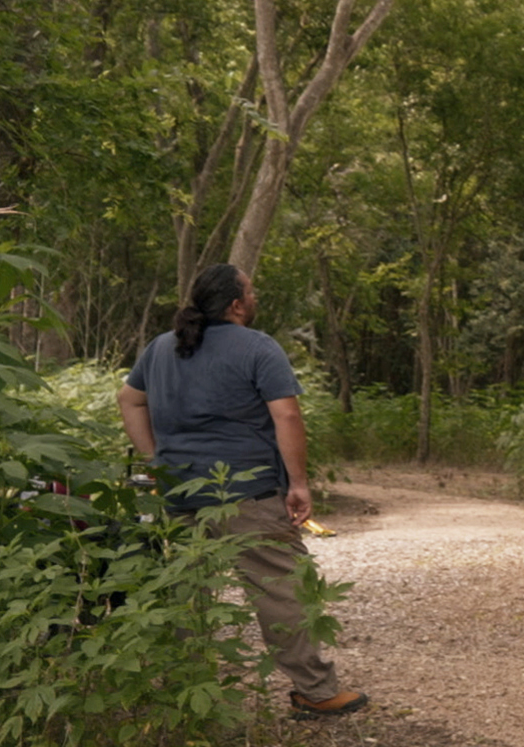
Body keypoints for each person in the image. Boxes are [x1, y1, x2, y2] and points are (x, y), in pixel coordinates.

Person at [120, 263, 367, 719]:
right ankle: (315, 691)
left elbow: (129, 400)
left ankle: (186, 692)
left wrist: (157, 459)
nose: (255, 298)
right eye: (251, 292)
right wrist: (298, 484)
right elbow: (287, 417)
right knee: (282, 591)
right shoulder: (257, 347)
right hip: (246, 493)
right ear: (236, 304)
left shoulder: (160, 348)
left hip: (179, 494)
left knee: (186, 592)